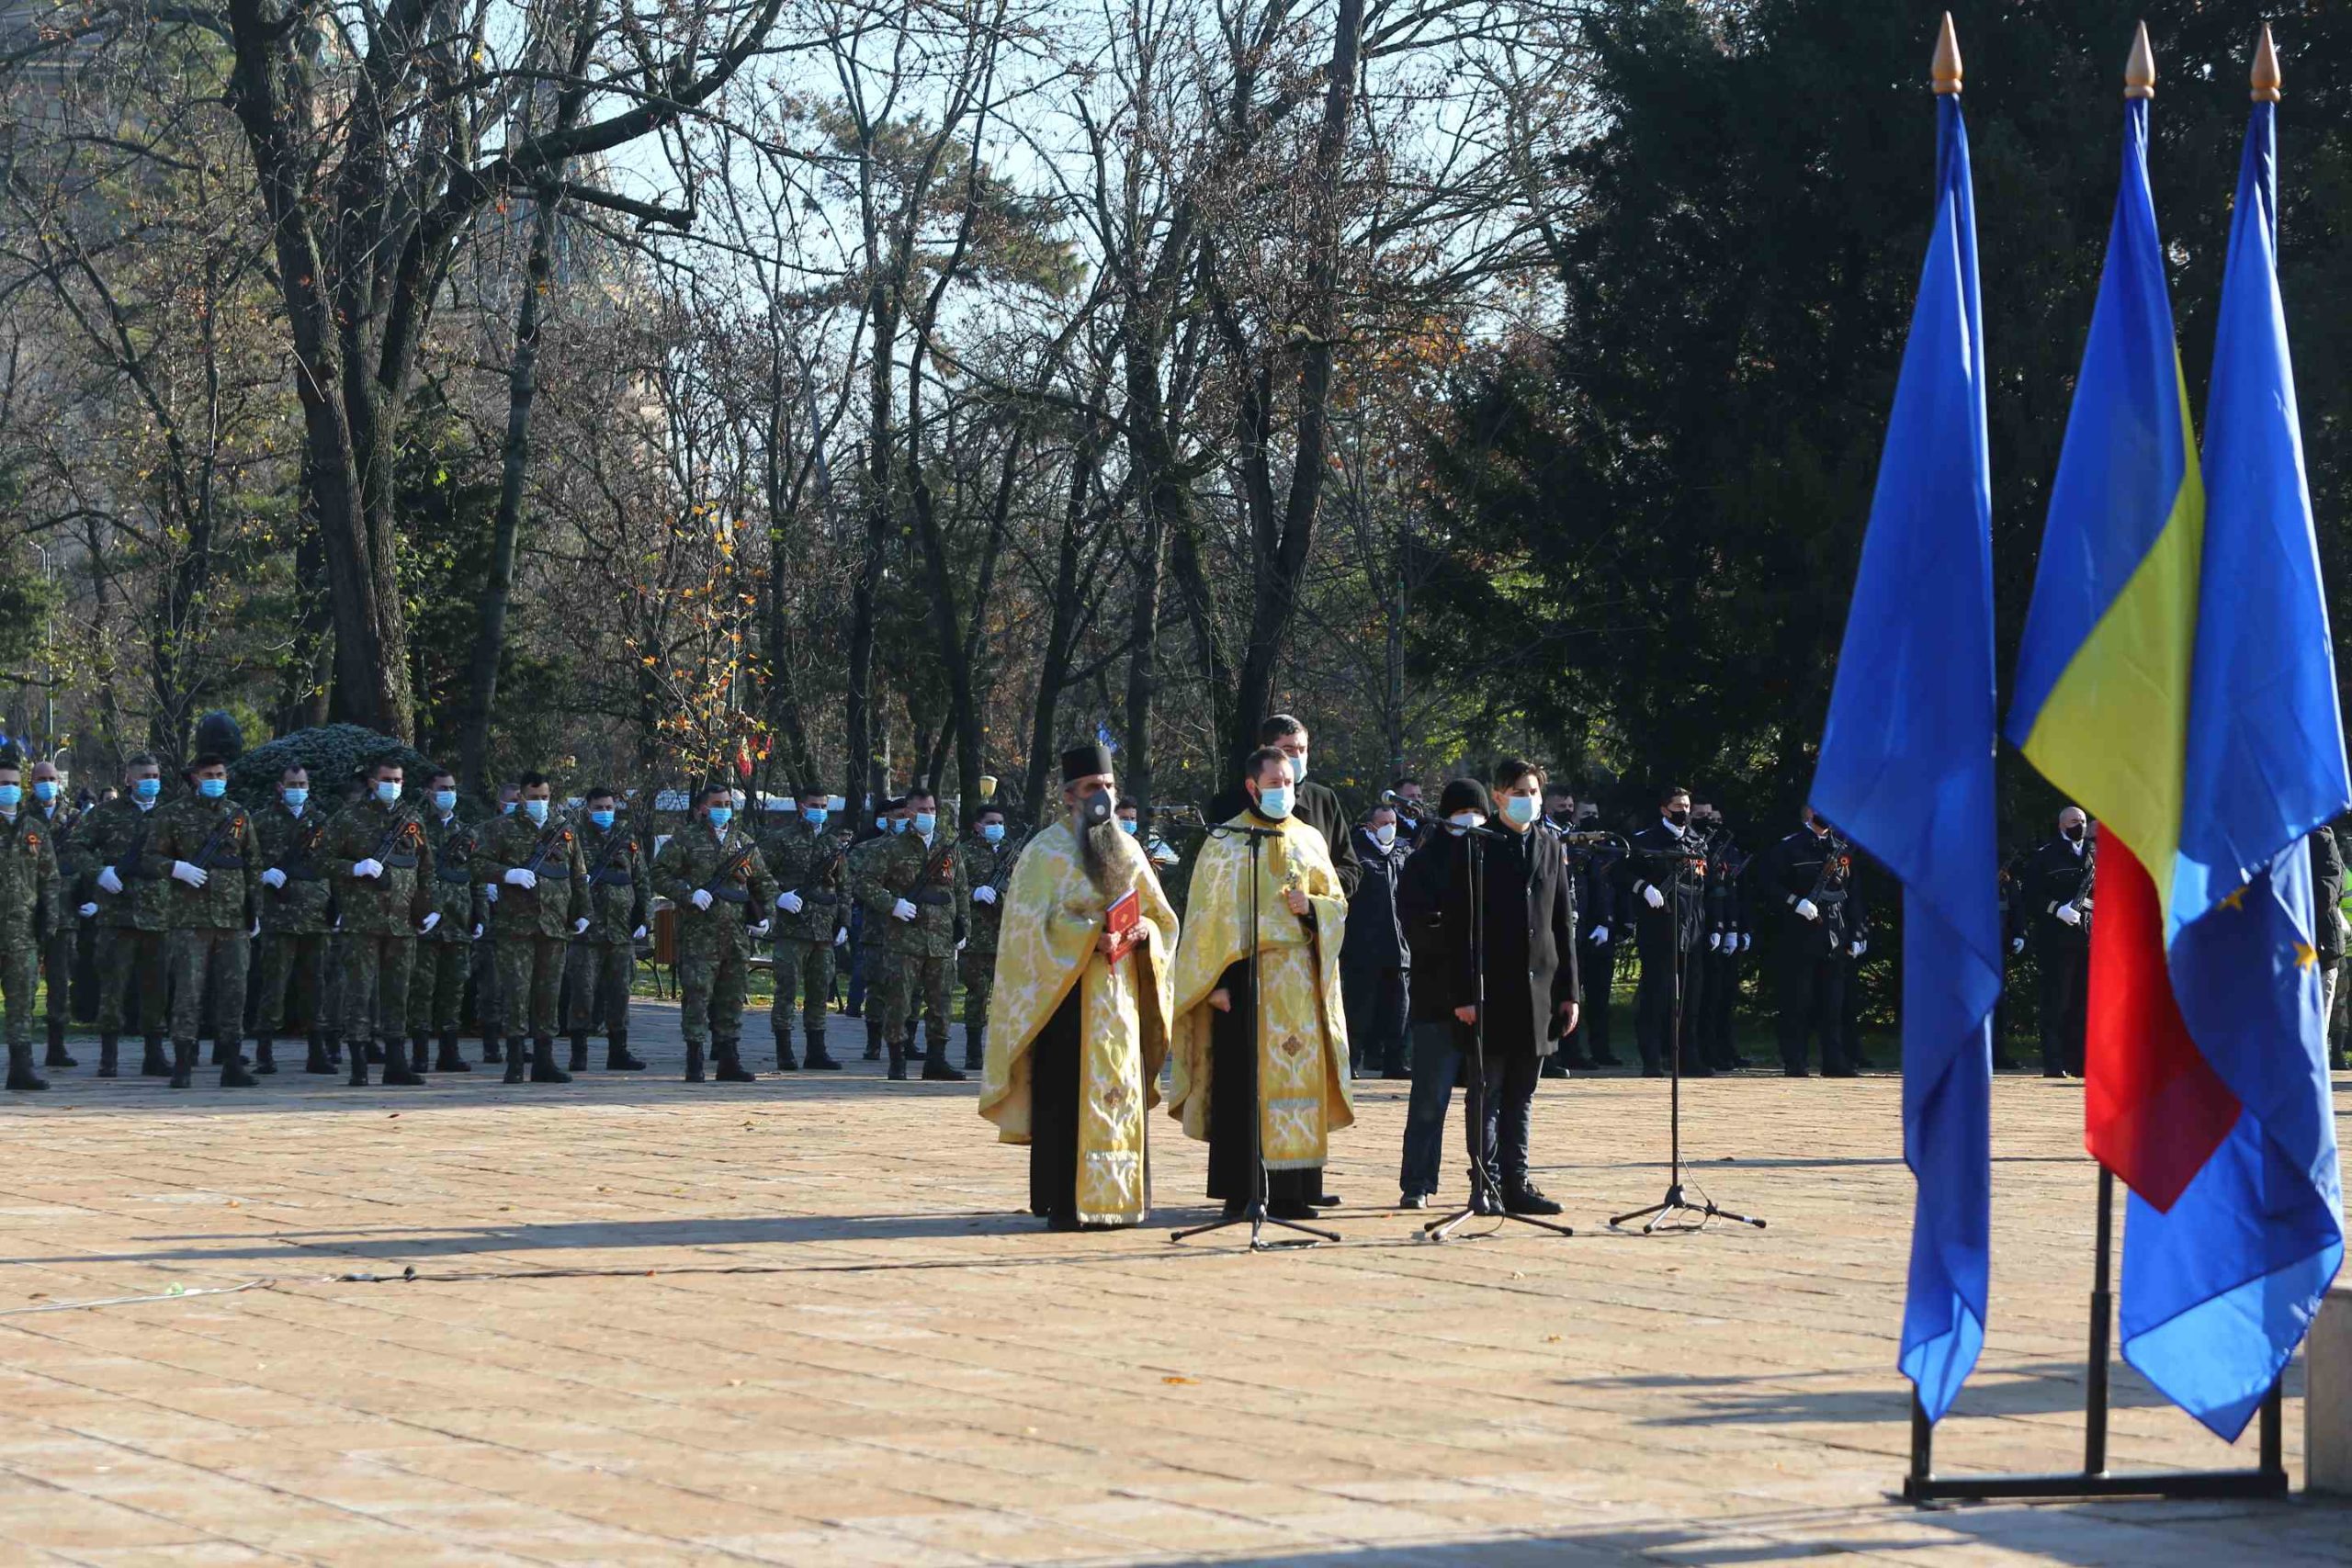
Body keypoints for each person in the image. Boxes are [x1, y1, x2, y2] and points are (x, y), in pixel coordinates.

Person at [980, 743, 1178, 1230]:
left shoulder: (1128, 847)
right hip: (1066, 999)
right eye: (1093, 788)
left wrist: (1142, 933)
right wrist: (1091, 935)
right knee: (1066, 1098)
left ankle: (1121, 1198)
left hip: (1120, 997)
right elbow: (1027, 928)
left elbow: (1162, 919)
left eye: (1109, 788)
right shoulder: (1043, 852)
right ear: (1070, 796)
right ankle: (1066, 1203)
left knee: (1120, 1092)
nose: (1103, 797)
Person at [1168, 746, 1352, 1221]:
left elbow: (1336, 902)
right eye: (1275, 784)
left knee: (1297, 1080)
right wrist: (1217, 984)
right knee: (1241, 1085)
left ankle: (1295, 1190)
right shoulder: (1226, 841)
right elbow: (1209, 920)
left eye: (1289, 782)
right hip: (1245, 981)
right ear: (1253, 787)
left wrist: (1311, 909)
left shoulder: (1310, 837)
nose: (1284, 791)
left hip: (1299, 983)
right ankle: (1241, 1190)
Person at [1419, 760, 1578, 1215]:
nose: (1529, 799)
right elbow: (1458, 929)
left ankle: (1517, 1181)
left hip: (1539, 992)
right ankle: (1483, 1182)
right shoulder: (1477, 847)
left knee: (1522, 1094)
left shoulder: (1550, 846)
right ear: (1500, 796)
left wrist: (1570, 992)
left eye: (1534, 791)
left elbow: (1561, 923)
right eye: (1519, 791)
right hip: (1491, 991)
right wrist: (1464, 995)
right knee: (1487, 1091)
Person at [1394, 779, 1484, 1205]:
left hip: (1490, 998)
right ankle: (1418, 1183)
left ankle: (1487, 1179)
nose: (1470, 820)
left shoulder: (1496, 857)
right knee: (1430, 1098)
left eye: (1477, 812)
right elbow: (1420, 928)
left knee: (1487, 1100)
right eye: (1462, 812)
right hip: (1437, 998)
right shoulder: (1423, 863)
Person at [650, 781, 777, 1082]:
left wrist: (766, 916)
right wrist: (687, 892)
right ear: (703, 808)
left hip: (735, 936)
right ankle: (694, 1059)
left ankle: (728, 1059)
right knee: (697, 996)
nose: (723, 809)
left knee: (732, 998)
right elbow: (658, 873)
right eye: (717, 804)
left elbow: (764, 882)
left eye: (727, 804)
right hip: (698, 935)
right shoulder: (686, 839)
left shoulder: (742, 842)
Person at [150, 754, 263, 1089]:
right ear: (195, 777)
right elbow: (149, 857)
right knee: (188, 992)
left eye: (221, 773)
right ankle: (183, 1064)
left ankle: (231, 1064)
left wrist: (254, 910)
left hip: (232, 919)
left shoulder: (239, 815)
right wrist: (176, 868)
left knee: (234, 992)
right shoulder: (172, 814)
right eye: (209, 774)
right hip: (190, 919)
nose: (216, 779)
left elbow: (252, 864)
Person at [322, 756, 435, 1086]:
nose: (394, 786)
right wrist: (354, 868)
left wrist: (429, 907)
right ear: (372, 782)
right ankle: (358, 1063)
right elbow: (322, 860)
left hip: (402, 921)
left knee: (398, 992)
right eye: (388, 779)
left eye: (399, 780)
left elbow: (425, 867)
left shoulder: (412, 819)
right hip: (363, 920)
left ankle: (396, 1063)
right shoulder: (348, 819)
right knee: (360, 991)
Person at [481, 772, 590, 1085]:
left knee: (548, 993)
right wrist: (508, 874)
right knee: (516, 992)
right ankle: (515, 1061)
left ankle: (545, 1061)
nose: (540, 803)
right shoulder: (500, 828)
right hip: (516, 925)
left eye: (545, 797)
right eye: (534, 798)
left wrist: (583, 911)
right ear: (521, 799)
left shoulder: (563, 830)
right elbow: (477, 864)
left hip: (554, 925)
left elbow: (578, 874)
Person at [855, 784, 969, 1081]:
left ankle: (937, 1060)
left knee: (941, 1000)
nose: (928, 815)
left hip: (941, 939)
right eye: (922, 810)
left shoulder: (947, 845)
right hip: (904, 938)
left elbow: (960, 889)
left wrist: (963, 927)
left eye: (932, 810)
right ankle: (897, 1060)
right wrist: (892, 905)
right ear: (907, 813)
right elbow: (865, 883)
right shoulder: (891, 847)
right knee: (899, 1001)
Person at [72, 754, 172, 1078]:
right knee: (113, 987)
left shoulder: (171, 815)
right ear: (129, 779)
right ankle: (109, 1056)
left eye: (155, 775)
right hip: (117, 914)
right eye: (144, 775)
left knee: (156, 987)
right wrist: (98, 872)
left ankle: (154, 1054)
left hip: (160, 915)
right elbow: (76, 848)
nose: (151, 781)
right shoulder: (106, 814)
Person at [1203, 715, 1361, 896]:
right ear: (1264, 750)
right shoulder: (1228, 805)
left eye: (1303, 749)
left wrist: (1313, 890)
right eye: (1289, 749)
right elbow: (1214, 872)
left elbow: (1350, 869)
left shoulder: (1324, 800)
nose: (1298, 757)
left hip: (1311, 918)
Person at [1758, 807, 1861, 1077]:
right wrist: (1795, 903)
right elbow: (1768, 885)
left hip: (1835, 934)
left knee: (1834, 1004)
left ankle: (1834, 1061)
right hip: (1800, 933)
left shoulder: (1841, 848)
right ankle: (1796, 1061)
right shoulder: (1789, 848)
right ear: (1808, 812)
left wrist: (1858, 932)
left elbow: (1851, 894)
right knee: (1798, 1002)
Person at [1620, 785, 1710, 1077]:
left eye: (1686, 805)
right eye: (1677, 806)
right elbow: (1619, 872)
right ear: (1664, 809)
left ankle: (1687, 1058)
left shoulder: (1698, 842)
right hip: (1658, 929)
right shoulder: (1646, 841)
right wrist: (1642, 887)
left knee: (1690, 998)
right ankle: (1652, 1059)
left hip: (1692, 929)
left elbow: (1705, 884)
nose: (1683, 811)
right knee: (1656, 995)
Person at [761, 784, 851, 1071]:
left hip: (823, 929)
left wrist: (844, 922)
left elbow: (844, 886)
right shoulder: (781, 840)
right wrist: (778, 897)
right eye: (815, 805)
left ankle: (816, 1050)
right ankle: (784, 1050)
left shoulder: (833, 844)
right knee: (786, 989)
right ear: (801, 806)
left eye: (824, 806)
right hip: (792, 929)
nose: (820, 811)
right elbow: (759, 876)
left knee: (819, 990)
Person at [253, 764, 335, 1075]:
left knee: (315, 985)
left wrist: (335, 906)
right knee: (273, 984)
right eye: (292, 783)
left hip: (315, 915)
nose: (298, 788)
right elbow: (248, 859)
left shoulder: (323, 822)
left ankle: (317, 1052)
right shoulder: (262, 821)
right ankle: (264, 1051)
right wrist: (263, 875)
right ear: (279, 786)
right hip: (279, 916)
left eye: (303, 783)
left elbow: (331, 864)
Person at [566, 785, 649, 1072]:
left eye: (609, 808)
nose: (605, 813)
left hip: (620, 930)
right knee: (583, 992)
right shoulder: (574, 837)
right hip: (588, 931)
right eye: (599, 808)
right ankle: (579, 1052)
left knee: (620, 993)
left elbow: (641, 880)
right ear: (587, 809)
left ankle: (619, 1051)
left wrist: (643, 918)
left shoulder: (626, 838)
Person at [409, 769, 483, 1074]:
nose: (448, 793)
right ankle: (420, 1052)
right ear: (428, 792)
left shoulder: (468, 832)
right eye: (442, 788)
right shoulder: (414, 828)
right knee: (422, 988)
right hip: (425, 922)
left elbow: (476, 876)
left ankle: (449, 1052)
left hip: (458, 921)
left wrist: (480, 914)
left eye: (452, 788)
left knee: (454, 988)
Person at [0, 750, 61, 1091]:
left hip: (22, 930)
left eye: (12, 784)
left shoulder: (33, 829)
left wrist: (48, 922)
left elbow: (49, 879)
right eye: (1, 784)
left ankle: (20, 1069)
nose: (7, 789)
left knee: (22, 1003)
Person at [1340, 803, 1410, 1079]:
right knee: (1360, 1008)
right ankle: (1351, 1060)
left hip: (1400, 947)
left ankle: (1395, 1062)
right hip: (1364, 947)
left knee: (1399, 1009)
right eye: (1383, 823)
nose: (1389, 828)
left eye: (1393, 822)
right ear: (1370, 826)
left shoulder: (1404, 852)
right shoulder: (1356, 853)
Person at [2025, 806, 2094, 1078]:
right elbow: (2031, 895)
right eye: (2075, 821)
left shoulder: (2093, 854)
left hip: (2087, 936)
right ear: (2062, 825)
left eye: (2084, 821)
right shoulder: (2046, 856)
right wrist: (2057, 909)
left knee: (2082, 1001)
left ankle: (2078, 1061)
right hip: (2056, 938)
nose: (2081, 825)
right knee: (2057, 1001)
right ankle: (2054, 1063)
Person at [957, 802, 1020, 1072]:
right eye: (991, 823)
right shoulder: (965, 853)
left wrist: (1004, 896)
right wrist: (974, 893)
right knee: (977, 995)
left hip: (1008, 936)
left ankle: (1007, 1052)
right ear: (978, 826)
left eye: (1000, 823)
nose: (997, 828)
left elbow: (1027, 887)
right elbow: (954, 887)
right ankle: (973, 1051)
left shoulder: (1014, 852)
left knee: (1009, 997)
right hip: (977, 937)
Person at [29, 759, 81, 1070]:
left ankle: (56, 1047)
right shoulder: (21, 818)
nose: (47, 783)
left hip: (64, 911)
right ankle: (21, 1048)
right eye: (41, 778)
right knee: (23, 982)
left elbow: (88, 858)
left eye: (51, 777)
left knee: (60, 982)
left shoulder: (76, 818)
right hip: (26, 911)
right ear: (31, 782)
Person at [1693, 804, 1750, 1072]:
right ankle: (1705, 1049)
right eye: (1704, 817)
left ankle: (1723, 1046)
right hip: (1701, 927)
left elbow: (1733, 894)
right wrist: (1716, 927)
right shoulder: (1698, 848)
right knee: (1706, 995)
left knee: (1724, 994)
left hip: (1726, 926)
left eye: (1715, 818)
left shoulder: (1728, 850)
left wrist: (1736, 928)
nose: (1711, 823)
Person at [1389, 777, 1428, 846]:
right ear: (1397, 800)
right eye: (1411, 796)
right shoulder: (1387, 822)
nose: (1417, 800)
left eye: (1419, 796)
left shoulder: (1427, 824)